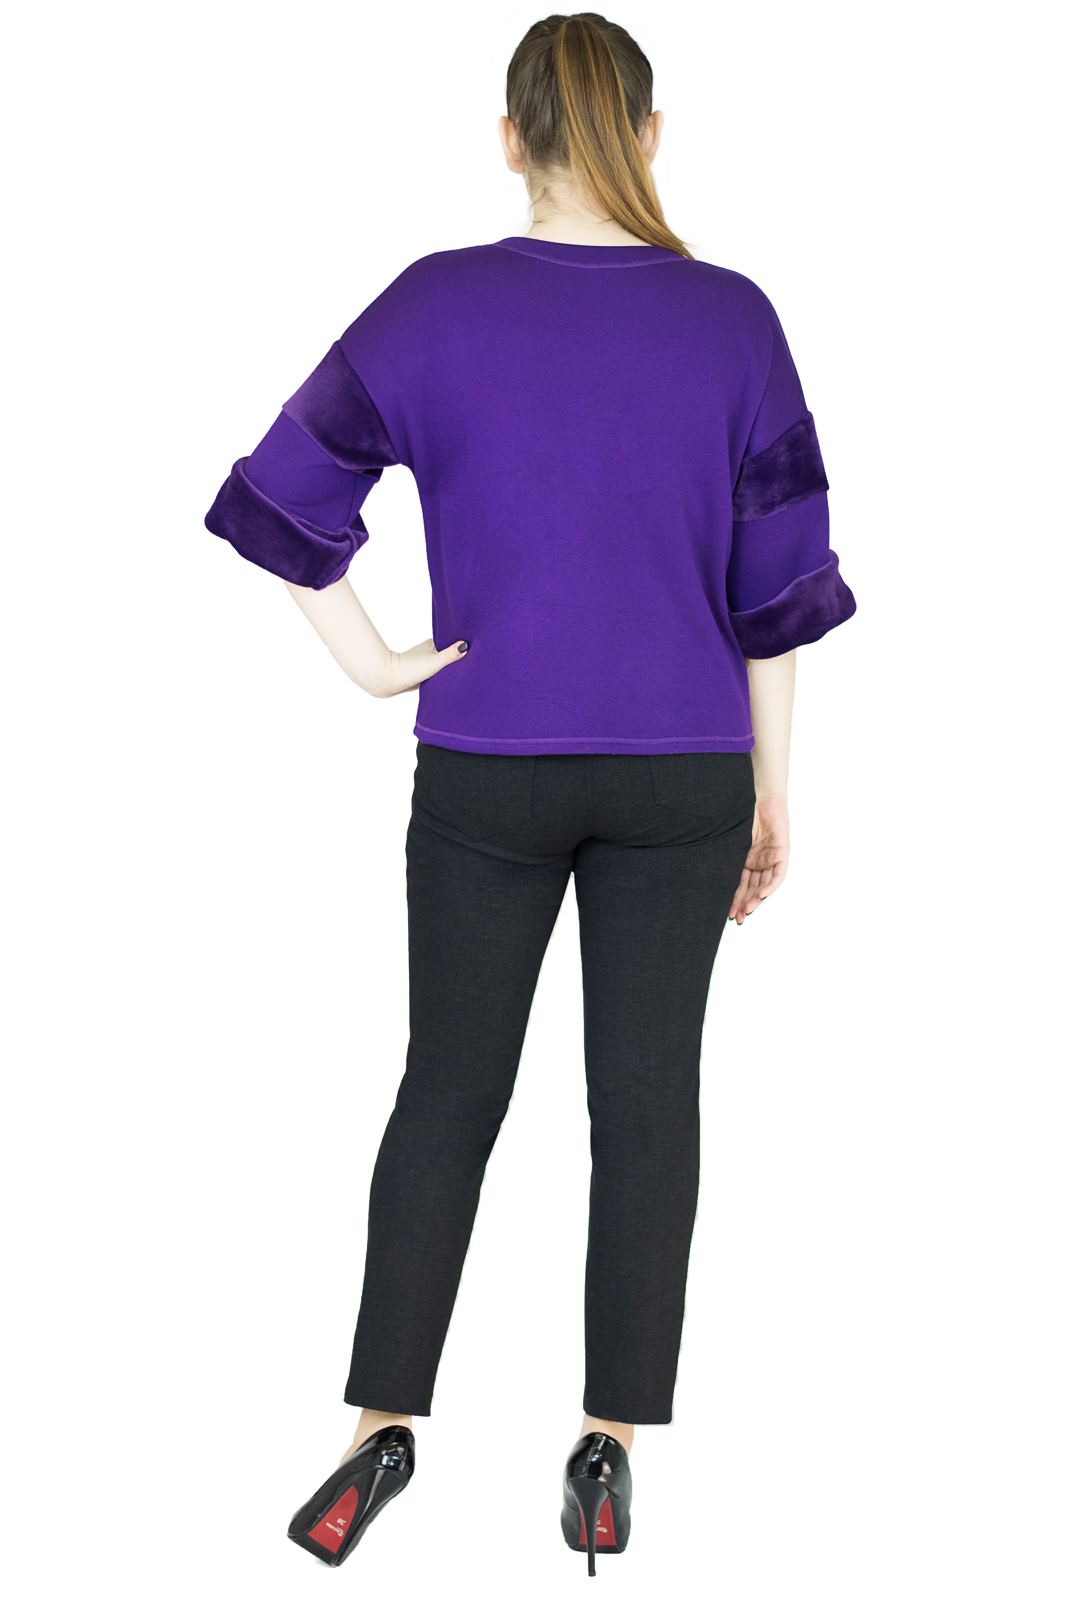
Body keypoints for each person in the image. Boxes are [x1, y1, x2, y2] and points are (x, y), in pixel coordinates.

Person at [205, 11, 855, 1576]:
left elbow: (283, 491)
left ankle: (377, 1432)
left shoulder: (435, 303)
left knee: (446, 1090)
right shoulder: (733, 319)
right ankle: (606, 1448)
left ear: (511, 139)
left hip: (486, 767)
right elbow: (777, 591)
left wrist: (374, 665)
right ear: (651, 132)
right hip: (683, 775)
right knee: (647, 1105)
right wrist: (775, 789)